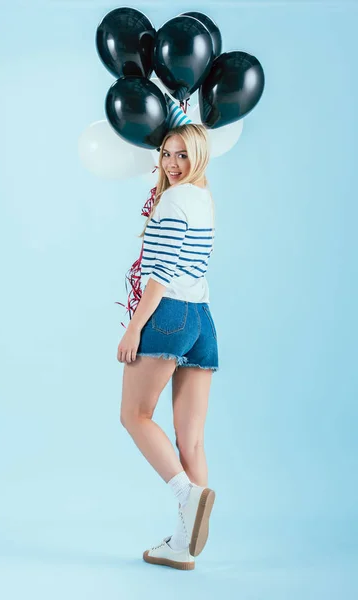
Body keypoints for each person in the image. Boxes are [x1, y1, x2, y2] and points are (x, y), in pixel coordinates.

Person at [118, 123, 218, 571]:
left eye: (182, 155)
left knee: (134, 415)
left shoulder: (172, 201)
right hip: (202, 319)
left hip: (169, 313)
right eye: (166, 153)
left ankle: (186, 494)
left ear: (198, 157)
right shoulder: (204, 199)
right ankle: (182, 544)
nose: (172, 164)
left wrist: (134, 328)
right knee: (190, 440)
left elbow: (160, 272)